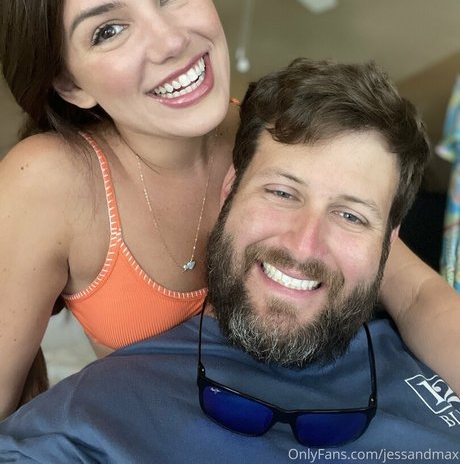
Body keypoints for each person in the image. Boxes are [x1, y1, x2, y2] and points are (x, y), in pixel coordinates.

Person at [0, 0, 457, 420]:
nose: (171, 41)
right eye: (109, 30)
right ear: (70, 83)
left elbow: (417, 295)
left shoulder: (276, 132)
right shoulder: (48, 183)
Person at [0, 59, 458, 462]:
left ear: (389, 240)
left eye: (350, 215)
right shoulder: (96, 412)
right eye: (282, 193)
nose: (304, 246)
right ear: (229, 189)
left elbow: (420, 293)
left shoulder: (429, 346)